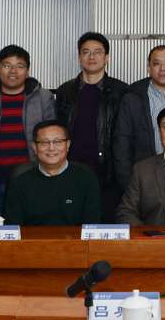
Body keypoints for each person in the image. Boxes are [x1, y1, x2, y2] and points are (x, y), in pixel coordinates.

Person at [0, 45, 56, 216]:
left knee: (31, 229)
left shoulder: (43, 97)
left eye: (20, 66)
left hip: (32, 181)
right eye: (7, 65)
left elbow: (51, 138)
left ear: (28, 71)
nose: (13, 71)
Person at [56, 32, 128, 219]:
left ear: (107, 58)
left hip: (108, 175)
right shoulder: (65, 91)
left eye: (97, 52)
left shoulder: (121, 92)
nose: (92, 57)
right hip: (71, 172)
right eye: (86, 52)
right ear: (79, 57)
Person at [114, 45, 165, 191]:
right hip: (144, 180)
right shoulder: (132, 99)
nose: (162, 68)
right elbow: (122, 145)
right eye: (156, 64)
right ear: (148, 68)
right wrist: (129, 186)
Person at [4, 121, 102, 225]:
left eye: (57, 142)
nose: (51, 148)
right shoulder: (20, 183)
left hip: (75, 236)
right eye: (44, 142)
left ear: (68, 145)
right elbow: (13, 228)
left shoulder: (86, 179)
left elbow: (92, 226)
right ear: (34, 147)